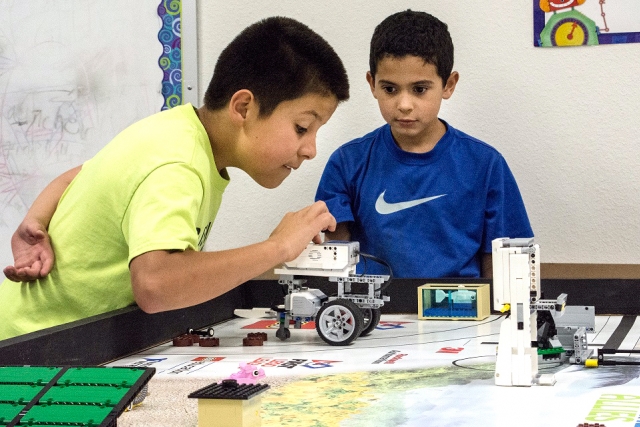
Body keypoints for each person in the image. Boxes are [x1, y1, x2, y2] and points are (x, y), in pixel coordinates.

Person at [0, 16, 349, 340]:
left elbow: (78, 175)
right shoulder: (177, 161)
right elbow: (155, 284)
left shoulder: (176, 135)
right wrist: (278, 247)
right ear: (243, 108)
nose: (310, 149)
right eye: (302, 127)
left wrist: (34, 221)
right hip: (29, 356)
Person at [315, 10, 532, 279]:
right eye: (390, 89)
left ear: (448, 85)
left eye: (419, 89)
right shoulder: (347, 163)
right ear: (372, 84)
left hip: (463, 312)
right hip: (375, 314)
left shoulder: (486, 165)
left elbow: (505, 263)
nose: (404, 105)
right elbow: (334, 256)